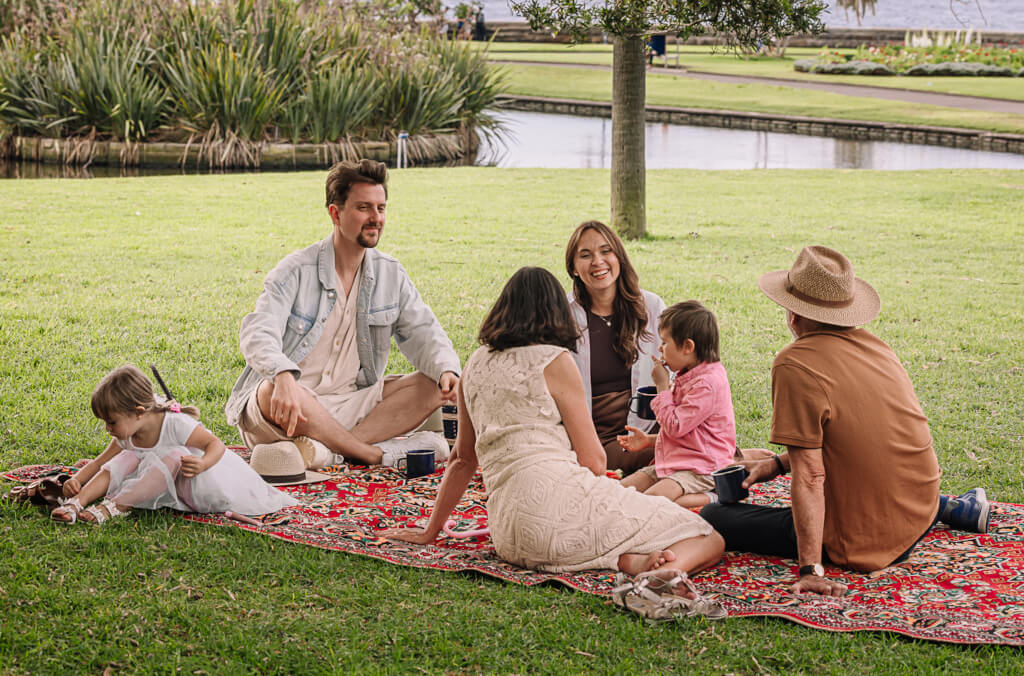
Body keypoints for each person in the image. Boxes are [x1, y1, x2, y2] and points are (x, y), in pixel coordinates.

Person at [386, 267, 725, 618]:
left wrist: (430, 531)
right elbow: (594, 462)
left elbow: (461, 460)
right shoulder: (556, 361)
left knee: (613, 524)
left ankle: (632, 563)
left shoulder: (474, 363)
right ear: (557, 313)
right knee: (707, 536)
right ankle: (656, 582)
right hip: (557, 512)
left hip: (509, 535)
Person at [701, 246, 990, 597]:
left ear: (793, 314)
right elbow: (853, 439)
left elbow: (811, 474)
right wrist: (775, 466)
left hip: (865, 537)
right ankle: (950, 507)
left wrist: (811, 569)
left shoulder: (794, 363)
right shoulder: (878, 348)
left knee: (714, 515)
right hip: (920, 514)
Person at [224, 159, 459, 468]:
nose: (376, 218)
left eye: (381, 208)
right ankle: (370, 454)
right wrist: (282, 376)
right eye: (364, 208)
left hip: (352, 404)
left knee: (433, 385)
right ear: (336, 213)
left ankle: (331, 453)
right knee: (268, 389)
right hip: (287, 407)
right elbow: (258, 331)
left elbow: (424, 332)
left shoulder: (391, 274)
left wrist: (447, 371)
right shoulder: (296, 270)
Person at [51, 365, 298, 524]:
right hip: (159, 479)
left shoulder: (174, 424)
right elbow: (101, 462)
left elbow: (216, 445)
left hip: (200, 483)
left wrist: (202, 463)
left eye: (111, 422)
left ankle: (116, 506)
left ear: (138, 412)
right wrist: (78, 480)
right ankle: (78, 502)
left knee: (174, 456)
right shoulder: (127, 430)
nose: (108, 429)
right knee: (124, 457)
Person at [565, 220, 664, 475]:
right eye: (585, 255)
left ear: (618, 256)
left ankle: (738, 460)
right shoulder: (562, 315)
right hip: (600, 438)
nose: (598, 261)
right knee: (684, 452)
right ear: (574, 268)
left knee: (697, 442)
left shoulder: (651, 307)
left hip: (652, 426)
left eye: (606, 251)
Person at [617, 301, 737, 508]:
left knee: (649, 503)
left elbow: (675, 425)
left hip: (701, 468)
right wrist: (648, 440)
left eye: (664, 342)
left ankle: (715, 497)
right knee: (619, 492)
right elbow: (689, 434)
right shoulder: (689, 374)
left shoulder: (707, 384)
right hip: (677, 463)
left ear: (688, 347)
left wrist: (662, 386)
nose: (660, 348)